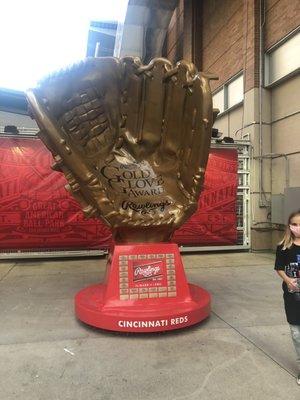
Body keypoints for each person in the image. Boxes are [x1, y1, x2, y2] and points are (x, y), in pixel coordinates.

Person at [275, 209, 300, 385]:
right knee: (296, 333)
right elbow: (279, 267)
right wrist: (288, 280)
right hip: (292, 297)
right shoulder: (283, 246)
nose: (298, 228)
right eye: (295, 224)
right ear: (289, 227)